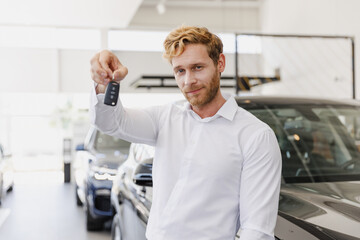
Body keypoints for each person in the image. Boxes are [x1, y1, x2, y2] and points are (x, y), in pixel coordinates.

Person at [89, 25, 282, 240]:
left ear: (220, 63)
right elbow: (110, 123)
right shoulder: (165, 118)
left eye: (198, 67)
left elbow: (256, 231)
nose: (188, 81)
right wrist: (106, 83)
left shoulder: (255, 136)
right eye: (180, 71)